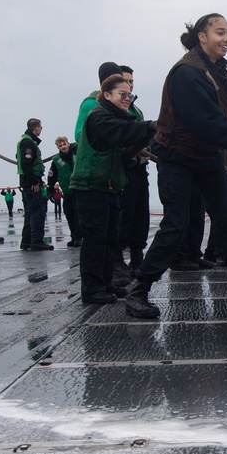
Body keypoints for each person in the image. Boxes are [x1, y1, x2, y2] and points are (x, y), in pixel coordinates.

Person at [125, 13, 227, 318]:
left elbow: (220, 115)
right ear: (202, 36)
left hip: (208, 159)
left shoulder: (224, 73)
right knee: (175, 226)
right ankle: (139, 289)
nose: (226, 39)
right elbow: (208, 123)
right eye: (220, 32)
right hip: (177, 159)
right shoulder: (186, 73)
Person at [70, 74, 155, 304]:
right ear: (106, 95)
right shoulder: (99, 117)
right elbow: (124, 133)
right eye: (122, 94)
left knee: (110, 238)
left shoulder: (116, 118)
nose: (127, 99)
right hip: (90, 187)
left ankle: (105, 282)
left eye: (130, 95)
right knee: (95, 238)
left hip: (110, 187)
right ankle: (91, 289)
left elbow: (122, 152)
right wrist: (154, 126)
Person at [117, 65, 152, 271]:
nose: (129, 86)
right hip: (123, 168)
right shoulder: (114, 109)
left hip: (140, 167)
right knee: (125, 213)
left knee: (141, 212)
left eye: (131, 82)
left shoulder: (135, 110)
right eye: (125, 81)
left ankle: (137, 256)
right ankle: (119, 259)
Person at [17, 118, 52, 250]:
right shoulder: (28, 143)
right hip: (31, 183)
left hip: (27, 182)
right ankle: (37, 241)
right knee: (37, 211)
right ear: (36, 128)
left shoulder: (24, 141)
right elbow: (26, 164)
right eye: (40, 128)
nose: (41, 130)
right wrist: (35, 181)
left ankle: (26, 241)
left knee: (30, 212)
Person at [48, 136, 80, 247]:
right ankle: (74, 236)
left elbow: (82, 142)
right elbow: (52, 176)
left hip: (80, 189)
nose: (63, 147)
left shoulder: (77, 151)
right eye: (60, 145)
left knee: (79, 213)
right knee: (69, 213)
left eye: (64, 144)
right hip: (67, 191)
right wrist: (50, 189)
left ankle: (80, 237)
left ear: (68, 144)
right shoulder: (56, 160)